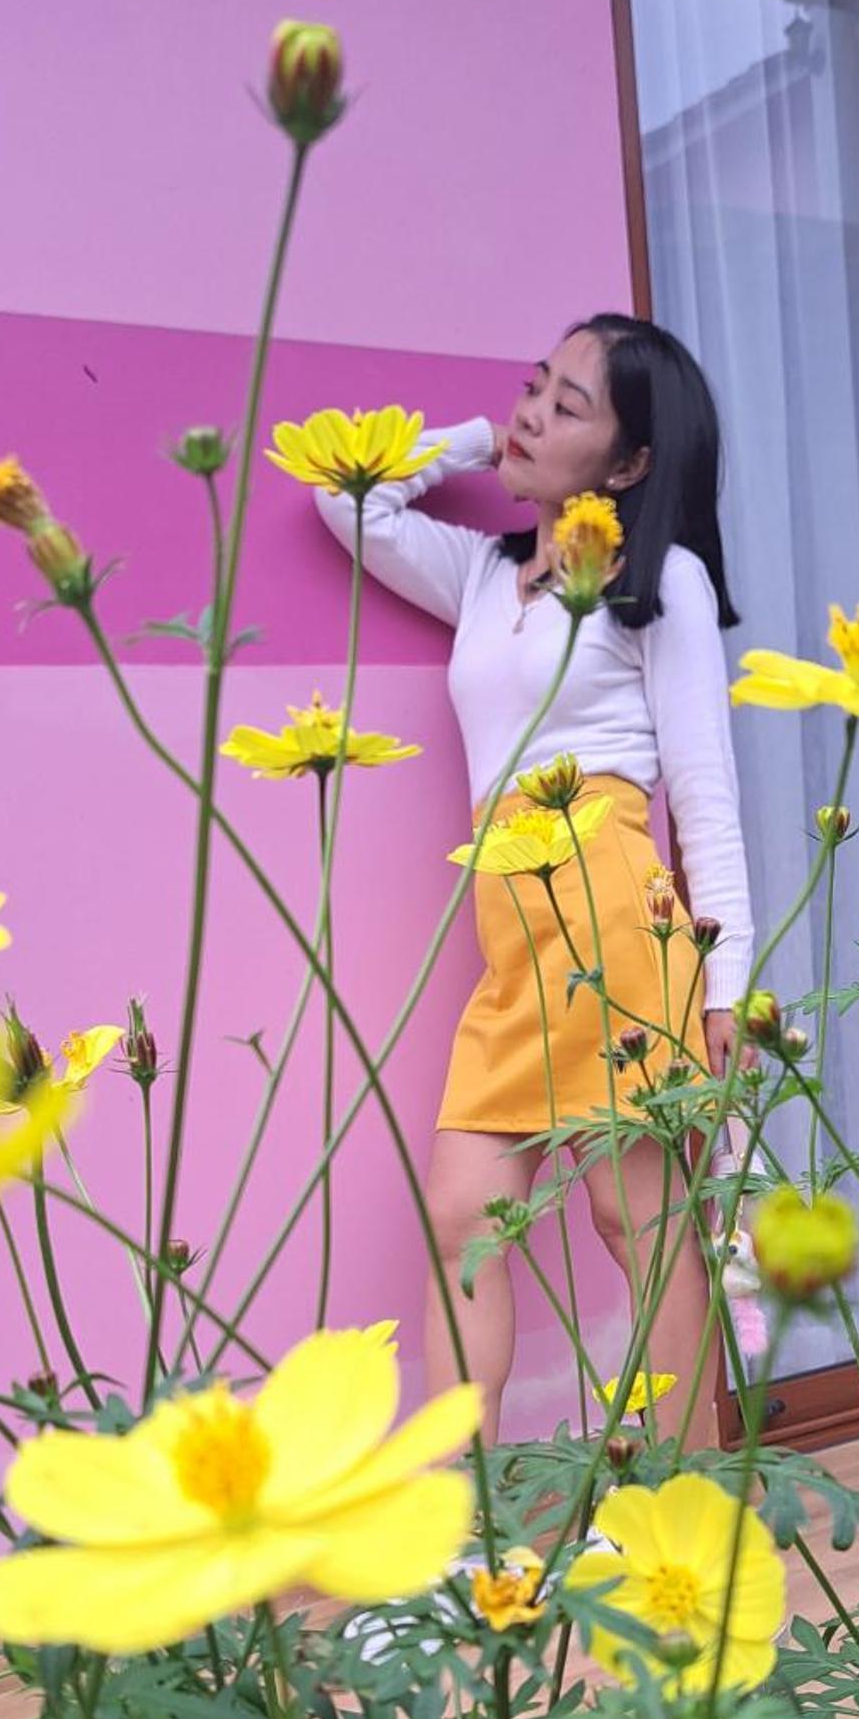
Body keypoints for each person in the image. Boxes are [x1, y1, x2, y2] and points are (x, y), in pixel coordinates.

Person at [315, 313, 754, 1449]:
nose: (530, 415)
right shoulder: (482, 573)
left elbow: (703, 794)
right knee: (463, 1222)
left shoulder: (660, 581)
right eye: (532, 388)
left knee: (634, 1218)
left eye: (567, 407)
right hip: (511, 934)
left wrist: (727, 986)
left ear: (631, 463)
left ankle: (684, 1489)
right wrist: (479, 441)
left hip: (614, 915)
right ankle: (472, 1516)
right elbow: (348, 501)